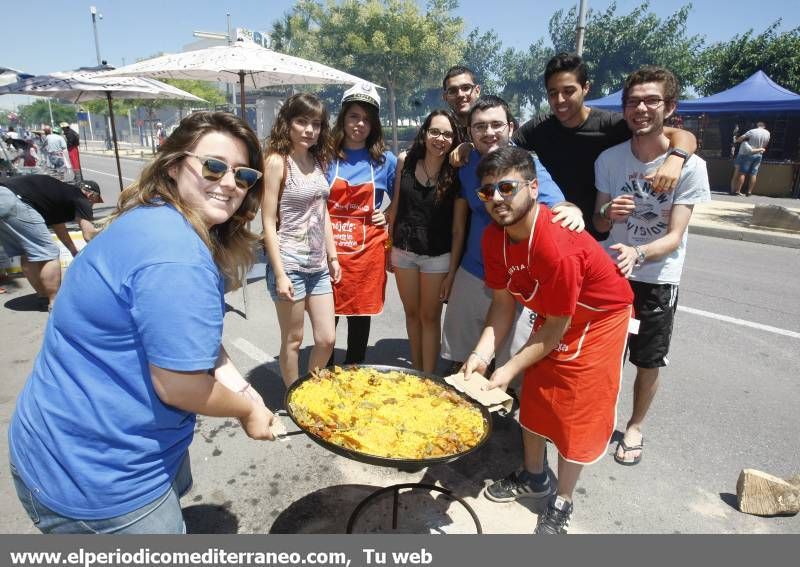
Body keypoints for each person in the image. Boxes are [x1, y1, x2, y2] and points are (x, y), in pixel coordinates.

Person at [9, 111, 277, 534]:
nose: (230, 183)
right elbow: (180, 384)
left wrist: (244, 389)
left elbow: (187, 340)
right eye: (214, 166)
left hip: (53, 443)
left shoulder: (151, 215)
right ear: (173, 166)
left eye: (243, 175)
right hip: (101, 480)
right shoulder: (177, 257)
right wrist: (246, 411)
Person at [464, 146, 634, 534]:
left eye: (506, 188)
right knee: (537, 395)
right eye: (486, 191)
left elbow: (556, 327)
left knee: (573, 410)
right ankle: (534, 475)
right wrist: (481, 355)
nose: (496, 199)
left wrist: (506, 367)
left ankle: (562, 501)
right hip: (556, 313)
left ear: (534, 187)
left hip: (599, 320)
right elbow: (503, 306)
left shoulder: (556, 244)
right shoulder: (494, 239)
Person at [593, 66, 710, 466]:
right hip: (611, 275)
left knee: (648, 358)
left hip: (657, 278)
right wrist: (610, 210)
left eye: (651, 100)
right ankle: (597, 419)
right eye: (633, 101)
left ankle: (635, 426)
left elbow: (675, 236)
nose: (641, 108)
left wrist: (639, 254)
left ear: (669, 107)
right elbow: (599, 221)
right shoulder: (609, 158)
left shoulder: (690, 167)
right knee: (604, 355)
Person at [453, 53, 697, 240]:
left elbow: (681, 135)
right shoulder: (539, 127)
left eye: (568, 91)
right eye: (553, 93)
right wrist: (468, 146)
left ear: (586, 88)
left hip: (600, 236)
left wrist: (676, 157)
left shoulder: (611, 125)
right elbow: (498, 142)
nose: (560, 100)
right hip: (554, 233)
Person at [441, 96, 584, 375]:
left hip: (520, 278)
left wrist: (572, 210)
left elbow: (555, 202)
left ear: (511, 126)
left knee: (510, 367)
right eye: (480, 127)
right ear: (470, 132)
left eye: (496, 124)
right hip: (473, 271)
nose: (489, 132)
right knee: (463, 359)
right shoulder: (467, 161)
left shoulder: (524, 162)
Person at [262, 93, 340, 386]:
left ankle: (311, 389)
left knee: (326, 338)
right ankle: (294, 398)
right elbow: (268, 220)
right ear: (288, 123)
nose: (309, 129)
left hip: (318, 266)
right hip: (289, 263)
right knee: (293, 340)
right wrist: (280, 273)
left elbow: (323, 213)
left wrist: (332, 257)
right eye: (302, 121)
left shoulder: (318, 160)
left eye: (316, 124)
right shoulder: (276, 162)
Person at [386, 110, 465, 373]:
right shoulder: (405, 161)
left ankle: (428, 377)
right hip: (403, 250)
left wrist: (452, 272)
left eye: (447, 134)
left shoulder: (456, 173)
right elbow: (396, 205)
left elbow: (457, 228)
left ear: (454, 139)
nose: (440, 139)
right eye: (435, 132)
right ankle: (416, 373)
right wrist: (388, 245)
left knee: (430, 317)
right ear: (425, 133)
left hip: (438, 255)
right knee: (411, 315)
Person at [326, 83, 397, 366]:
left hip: (366, 257)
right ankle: (324, 378)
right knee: (326, 326)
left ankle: (354, 372)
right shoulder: (324, 157)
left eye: (367, 119)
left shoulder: (385, 161)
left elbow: (406, 199)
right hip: (329, 253)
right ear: (343, 118)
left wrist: (389, 214)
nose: (360, 124)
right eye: (354, 116)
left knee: (359, 320)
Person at [0, 175, 102, 311]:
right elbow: (89, 235)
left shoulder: (59, 195)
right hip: (15, 200)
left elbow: (59, 228)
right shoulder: (80, 198)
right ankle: (55, 302)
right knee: (49, 254)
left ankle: (43, 296)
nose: (92, 205)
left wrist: (73, 251)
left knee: (26, 252)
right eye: (95, 201)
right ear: (90, 194)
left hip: (4, 194)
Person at [731, 121, 770, 196]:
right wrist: (761, 148)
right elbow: (766, 144)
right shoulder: (767, 133)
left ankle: (738, 190)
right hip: (759, 154)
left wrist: (737, 140)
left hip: (749, 154)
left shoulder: (752, 131)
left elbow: (741, 138)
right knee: (754, 173)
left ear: (757, 125)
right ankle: (749, 192)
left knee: (743, 173)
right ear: (764, 126)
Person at [442, 65, 481, 138]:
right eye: (452, 91)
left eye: (466, 88)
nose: (460, 95)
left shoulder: (492, 129)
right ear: (445, 97)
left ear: (477, 91)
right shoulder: (439, 135)